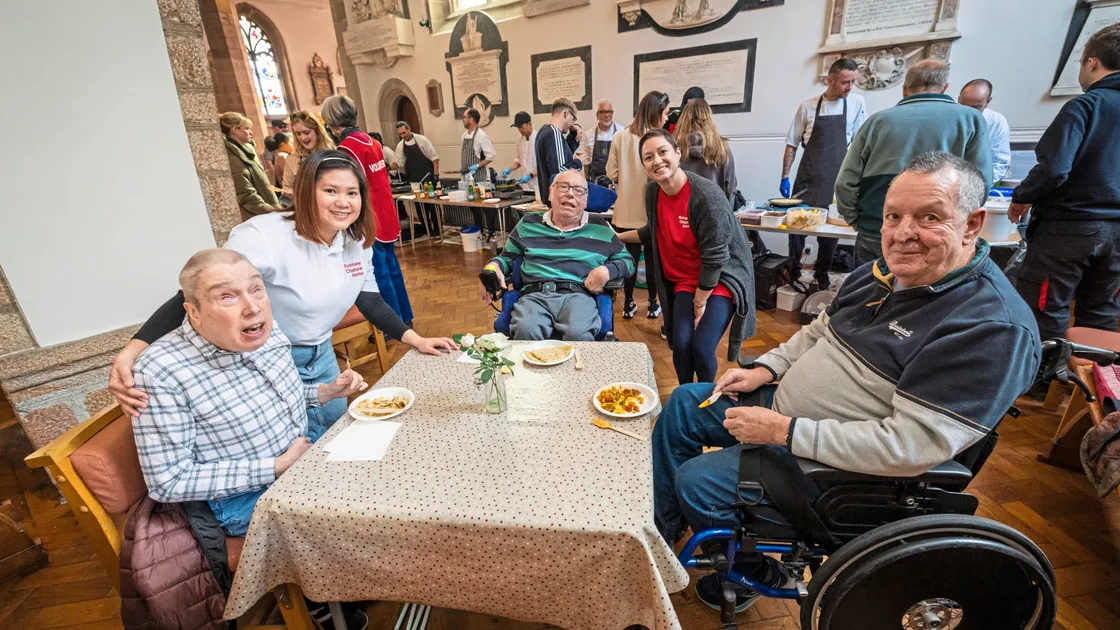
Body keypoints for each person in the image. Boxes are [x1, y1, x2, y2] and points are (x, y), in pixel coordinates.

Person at [653, 152, 1040, 612]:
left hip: (839, 463)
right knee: (684, 403)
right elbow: (818, 332)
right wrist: (766, 369)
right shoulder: (882, 273)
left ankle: (754, 571)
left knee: (697, 481)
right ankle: (659, 538)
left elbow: (909, 445)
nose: (902, 233)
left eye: (929, 217)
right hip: (788, 414)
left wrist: (783, 431)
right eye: (893, 216)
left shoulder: (990, 327)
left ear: (972, 225)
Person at [109, 151, 455, 440]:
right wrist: (131, 351)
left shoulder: (355, 239)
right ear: (306, 192)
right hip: (265, 359)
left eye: (352, 193)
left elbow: (369, 299)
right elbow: (197, 295)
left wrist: (415, 339)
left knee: (335, 433)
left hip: (321, 352)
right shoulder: (265, 236)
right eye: (330, 190)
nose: (343, 202)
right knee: (292, 448)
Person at [132, 249, 365, 530]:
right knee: (363, 520)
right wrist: (277, 466)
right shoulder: (159, 371)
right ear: (194, 312)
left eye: (256, 289)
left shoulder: (261, 329)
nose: (253, 307)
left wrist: (326, 392)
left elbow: (273, 398)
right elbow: (167, 482)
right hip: (245, 498)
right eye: (227, 297)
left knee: (381, 472)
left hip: (302, 452)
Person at [1009, 24, 1120, 341]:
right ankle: (1093, 372)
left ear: (1091, 63)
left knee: (1045, 308)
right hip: (1118, 234)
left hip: (1071, 229)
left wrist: (1022, 196)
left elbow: (1055, 168)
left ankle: (1045, 371)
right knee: (1102, 313)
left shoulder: (1086, 105)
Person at [621, 129, 756, 385]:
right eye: (648, 157)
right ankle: (685, 396)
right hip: (684, 280)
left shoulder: (706, 196)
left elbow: (716, 256)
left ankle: (705, 398)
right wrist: (617, 237)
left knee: (702, 348)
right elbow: (655, 230)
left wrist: (700, 302)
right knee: (681, 345)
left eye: (662, 152)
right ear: (644, 165)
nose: (657, 161)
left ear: (677, 153)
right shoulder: (652, 192)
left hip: (719, 278)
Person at [835, 59, 993, 267]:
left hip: (877, 228)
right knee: (928, 288)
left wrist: (858, 221)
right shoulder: (970, 119)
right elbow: (981, 184)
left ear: (904, 89)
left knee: (871, 286)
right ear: (944, 88)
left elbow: (845, 183)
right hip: (937, 237)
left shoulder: (877, 122)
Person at [479, 170, 634, 341]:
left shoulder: (600, 227)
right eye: (563, 187)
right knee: (526, 330)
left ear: (585, 200)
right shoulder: (528, 223)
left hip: (579, 295)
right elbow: (506, 258)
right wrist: (492, 267)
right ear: (550, 193)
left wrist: (606, 272)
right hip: (534, 295)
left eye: (578, 190)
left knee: (578, 333)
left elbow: (628, 261)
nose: (570, 194)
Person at [321, 95, 413, 325]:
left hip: (370, 217)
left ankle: (392, 325)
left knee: (380, 273)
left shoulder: (347, 149)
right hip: (386, 212)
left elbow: (350, 190)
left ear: (331, 120)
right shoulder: (372, 141)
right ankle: (405, 317)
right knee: (392, 268)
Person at [782, 58, 866, 290]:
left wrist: (858, 181)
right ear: (830, 80)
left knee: (830, 231)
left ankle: (822, 273)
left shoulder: (857, 103)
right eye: (845, 82)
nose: (850, 87)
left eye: (853, 82)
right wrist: (784, 177)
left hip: (837, 179)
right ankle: (794, 270)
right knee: (796, 228)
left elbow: (860, 146)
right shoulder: (807, 106)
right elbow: (792, 144)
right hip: (807, 178)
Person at [608, 91, 668, 321]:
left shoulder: (620, 136)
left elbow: (611, 172)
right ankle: (653, 304)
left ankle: (628, 304)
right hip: (652, 211)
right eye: (664, 113)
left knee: (629, 261)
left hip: (625, 210)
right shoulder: (658, 138)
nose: (666, 119)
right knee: (653, 262)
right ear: (656, 112)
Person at [220, 112, 281, 221]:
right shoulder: (234, 157)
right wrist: (272, 210)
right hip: (261, 216)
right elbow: (246, 195)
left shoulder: (247, 151)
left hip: (269, 212)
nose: (251, 132)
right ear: (235, 130)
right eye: (247, 129)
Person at [676, 98, 738, 201]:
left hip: (682, 207)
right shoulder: (722, 147)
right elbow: (730, 188)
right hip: (715, 206)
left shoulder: (674, 147)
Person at [958, 78, 1012, 183]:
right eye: (964, 106)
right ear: (959, 99)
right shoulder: (950, 118)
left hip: (980, 183)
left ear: (988, 101)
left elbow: (999, 164)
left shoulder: (996, 122)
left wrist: (980, 186)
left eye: (976, 107)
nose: (969, 112)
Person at [535, 98, 584, 207]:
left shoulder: (543, 131)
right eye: (573, 119)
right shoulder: (554, 133)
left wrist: (573, 135)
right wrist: (579, 162)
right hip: (560, 200)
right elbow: (561, 172)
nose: (572, 124)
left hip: (552, 199)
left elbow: (561, 156)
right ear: (566, 113)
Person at [282, 110, 335, 199]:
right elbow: (287, 189)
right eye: (298, 134)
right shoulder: (292, 159)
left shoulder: (332, 154)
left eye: (306, 132)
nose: (303, 138)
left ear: (317, 131)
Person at [586, 99, 624, 187]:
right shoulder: (589, 134)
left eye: (609, 112)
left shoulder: (621, 132)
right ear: (597, 115)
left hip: (616, 182)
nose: (607, 115)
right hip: (596, 182)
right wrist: (587, 180)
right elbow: (587, 161)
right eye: (603, 112)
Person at [392, 121, 440, 186]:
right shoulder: (400, 145)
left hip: (428, 177)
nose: (402, 136)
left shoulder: (422, 140)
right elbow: (398, 163)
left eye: (404, 133)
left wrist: (435, 175)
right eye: (400, 134)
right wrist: (388, 168)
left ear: (409, 129)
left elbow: (434, 158)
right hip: (414, 180)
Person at [500, 111, 537, 191]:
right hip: (525, 186)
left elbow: (544, 165)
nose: (519, 130)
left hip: (538, 184)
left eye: (521, 127)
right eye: (518, 127)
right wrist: (510, 169)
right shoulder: (519, 140)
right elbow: (519, 159)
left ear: (529, 124)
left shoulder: (538, 139)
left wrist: (530, 175)